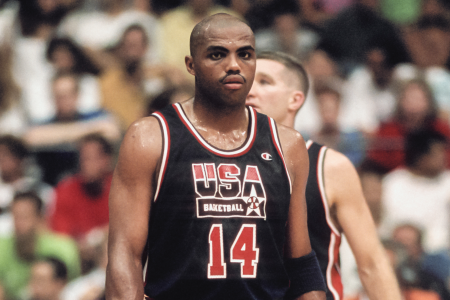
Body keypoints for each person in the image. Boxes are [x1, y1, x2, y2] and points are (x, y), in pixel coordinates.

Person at [106, 13, 326, 300]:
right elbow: (125, 254)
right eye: (217, 54)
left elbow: (301, 262)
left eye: (245, 54)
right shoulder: (149, 138)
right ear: (191, 65)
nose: (234, 65)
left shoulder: (287, 145)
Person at [245, 51, 401, 300]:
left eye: (264, 82)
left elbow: (372, 263)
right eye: (246, 82)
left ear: (295, 99)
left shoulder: (329, 166)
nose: (250, 91)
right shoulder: (211, 163)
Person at [0, 192, 80, 300]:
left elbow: (74, 289)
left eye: (25, 217)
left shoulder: (64, 248)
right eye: (15, 216)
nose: (18, 223)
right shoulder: (2, 247)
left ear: (40, 218)